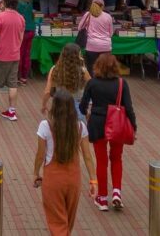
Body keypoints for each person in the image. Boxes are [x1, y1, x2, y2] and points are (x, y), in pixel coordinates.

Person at [33, 89, 97, 235]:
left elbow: (40, 155)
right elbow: (87, 156)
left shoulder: (45, 126)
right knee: (67, 221)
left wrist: (36, 173)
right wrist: (93, 180)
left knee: (57, 222)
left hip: (53, 179)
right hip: (74, 178)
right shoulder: (80, 127)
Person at [80, 54, 137, 211]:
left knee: (101, 161)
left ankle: (103, 198)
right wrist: (133, 127)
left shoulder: (92, 83)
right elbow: (129, 108)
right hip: (117, 124)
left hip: (98, 123)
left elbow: (83, 105)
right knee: (116, 158)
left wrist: (88, 113)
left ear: (97, 66)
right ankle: (117, 192)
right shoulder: (121, 83)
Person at [41, 43, 90, 119]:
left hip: (60, 106)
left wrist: (44, 105)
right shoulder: (83, 71)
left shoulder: (55, 69)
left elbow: (47, 91)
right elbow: (91, 87)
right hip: (77, 106)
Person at [80, 0, 115, 73]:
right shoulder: (108, 16)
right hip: (105, 46)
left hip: (91, 46)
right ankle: (104, 83)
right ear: (103, 6)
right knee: (105, 68)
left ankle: (92, 82)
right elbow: (111, 33)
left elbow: (80, 27)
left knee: (91, 68)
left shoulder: (88, 15)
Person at [17, 0, 36, 84]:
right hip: (31, 29)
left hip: (22, 31)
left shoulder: (18, 3)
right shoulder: (29, 0)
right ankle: (24, 77)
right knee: (26, 54)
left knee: (19, 54)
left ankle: (17, 76)